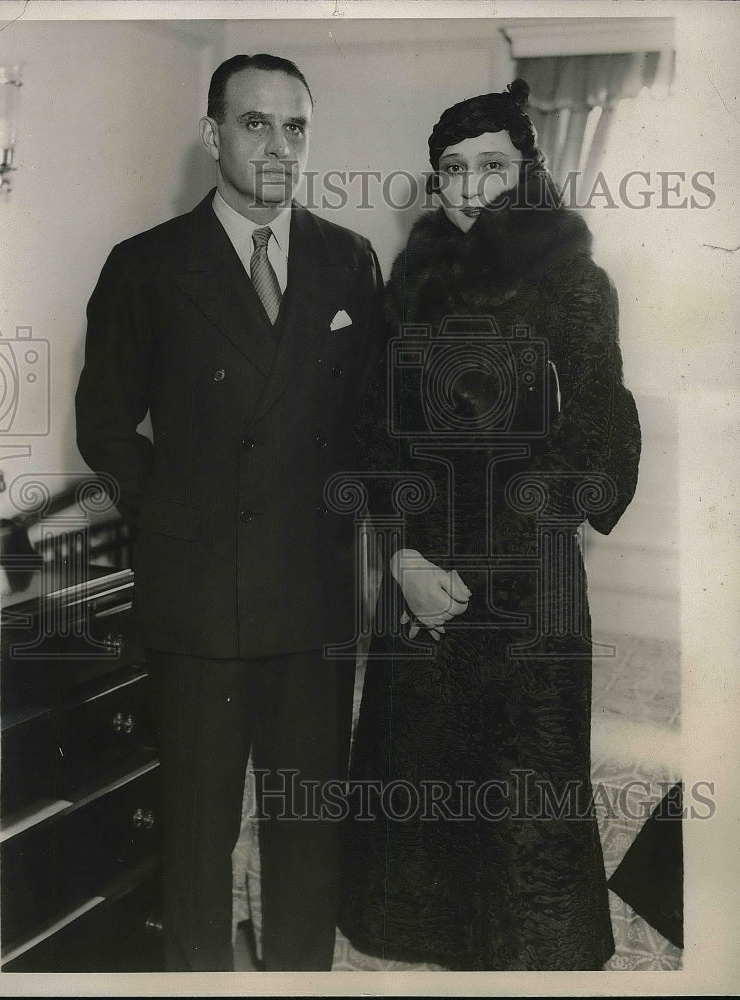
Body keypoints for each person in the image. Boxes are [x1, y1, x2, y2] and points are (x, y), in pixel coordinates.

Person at [75, 53, 384, 972]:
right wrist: (177, 509)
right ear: (214, 135)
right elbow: (103, 428)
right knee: (195, 841)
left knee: (307, 842)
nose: (278, 145)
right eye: (256, 123)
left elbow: (372, 423)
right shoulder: (146, 265)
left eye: (296, 127)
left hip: (311, 601)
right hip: (198, 600)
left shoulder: (348, 258)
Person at [338, 79, 641, 970]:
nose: (471, 188)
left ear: (528, 172)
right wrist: (402, 565)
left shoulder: (576, 285)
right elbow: (374, 434)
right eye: (452, 171)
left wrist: (481, 568)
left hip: (525, 584)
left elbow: (598, 439)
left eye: (492, 168)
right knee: (418, 778)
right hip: (418, 576)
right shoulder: (410, 284)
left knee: (523, 791)